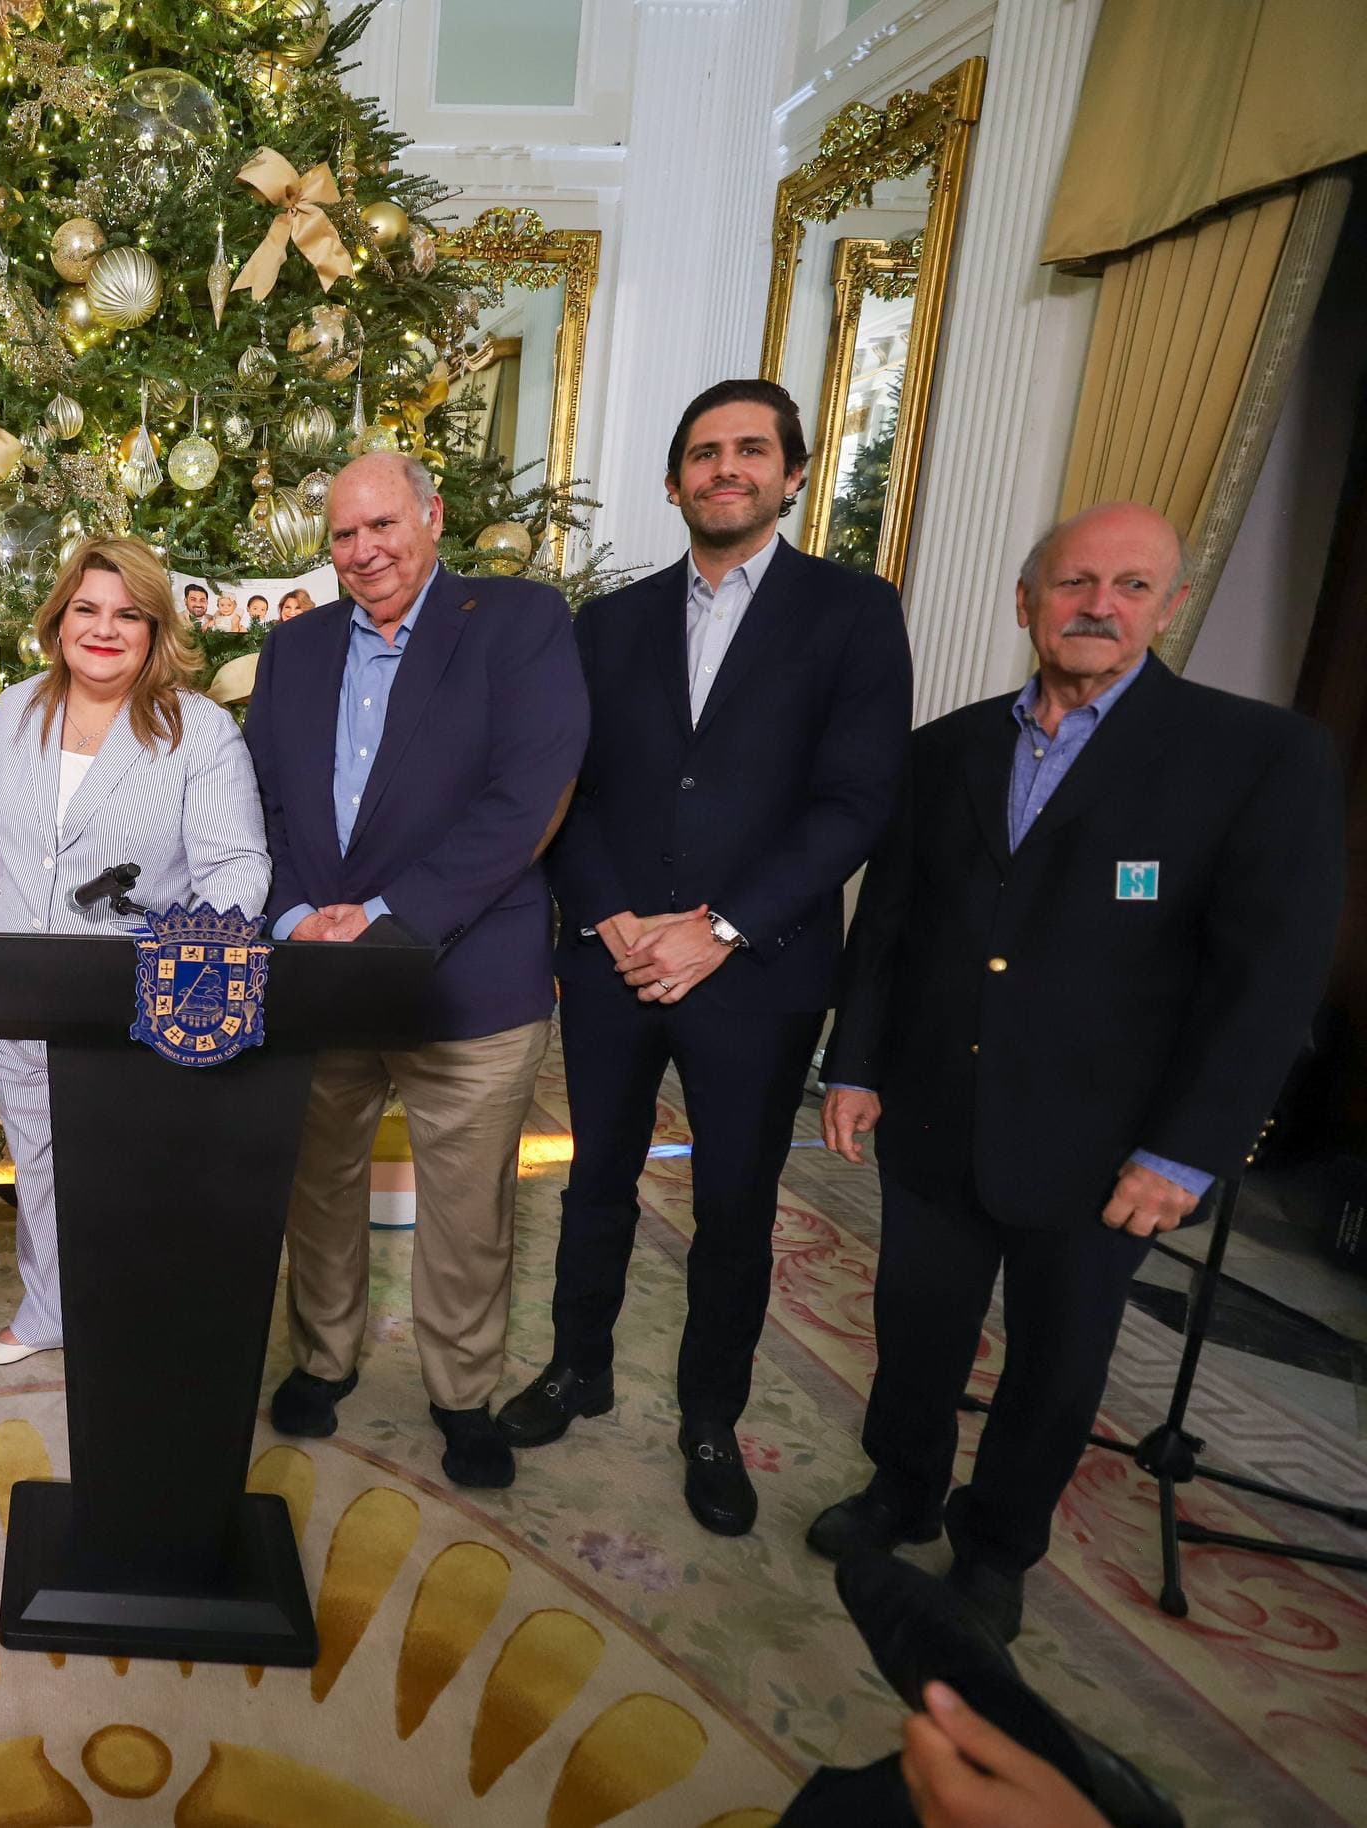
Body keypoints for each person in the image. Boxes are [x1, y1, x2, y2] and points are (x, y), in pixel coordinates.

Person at [809, 502, 1342, 1641]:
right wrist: (853, 1066)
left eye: (1132, 586)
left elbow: (1268, 979)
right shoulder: (944, 747)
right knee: (913, 1328)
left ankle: (996, 1543)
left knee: (1056, 1362)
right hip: (937, 1114)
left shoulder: (1253, 757)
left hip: (1108, 1143)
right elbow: (889, 927)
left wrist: (1187, 1151)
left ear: (1170, 605)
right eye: (1075, 582)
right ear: (1027, 601)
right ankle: (898, 1489)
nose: (1100, 605)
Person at [518, 379, 912, 1536]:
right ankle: (575, 1368)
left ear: (791, 473)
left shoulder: (850, 612)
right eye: (701, 453)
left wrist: (720, 927)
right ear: (675, 480)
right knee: (594, 1178)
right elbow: (568, 791)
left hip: (758, 969)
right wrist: (608, 916)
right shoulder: (612, 624)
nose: (722, 469)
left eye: (748, 450)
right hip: (615, 961)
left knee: (734, 1208)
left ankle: (708, 1419)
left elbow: (856, 802)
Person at [244, 452, 587, 1489]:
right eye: (344, 535)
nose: (364, 551)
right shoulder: (293, 647)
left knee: (467, 1206)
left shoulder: (518, 622)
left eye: (383, 525)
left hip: (467, 977)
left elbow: (525, 797)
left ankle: (462, 1392)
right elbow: (262, 802)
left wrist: (389, 918)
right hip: (321, 972)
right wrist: (302, 914)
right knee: (320, 1181)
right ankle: (325, 1355)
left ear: (432, 517)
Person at [0, 536, 270, 1368]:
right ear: (59, 618)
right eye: (88, 609)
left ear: (154, 628)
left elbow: (239, 866)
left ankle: (131, 1319)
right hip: (22, 991)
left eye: (128, 614)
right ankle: (49, 1308)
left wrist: (186, 968)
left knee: (133, 1172)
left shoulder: (197, 729)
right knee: (35, 1156)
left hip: (136, 997)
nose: (105, 630)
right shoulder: (13, 711)